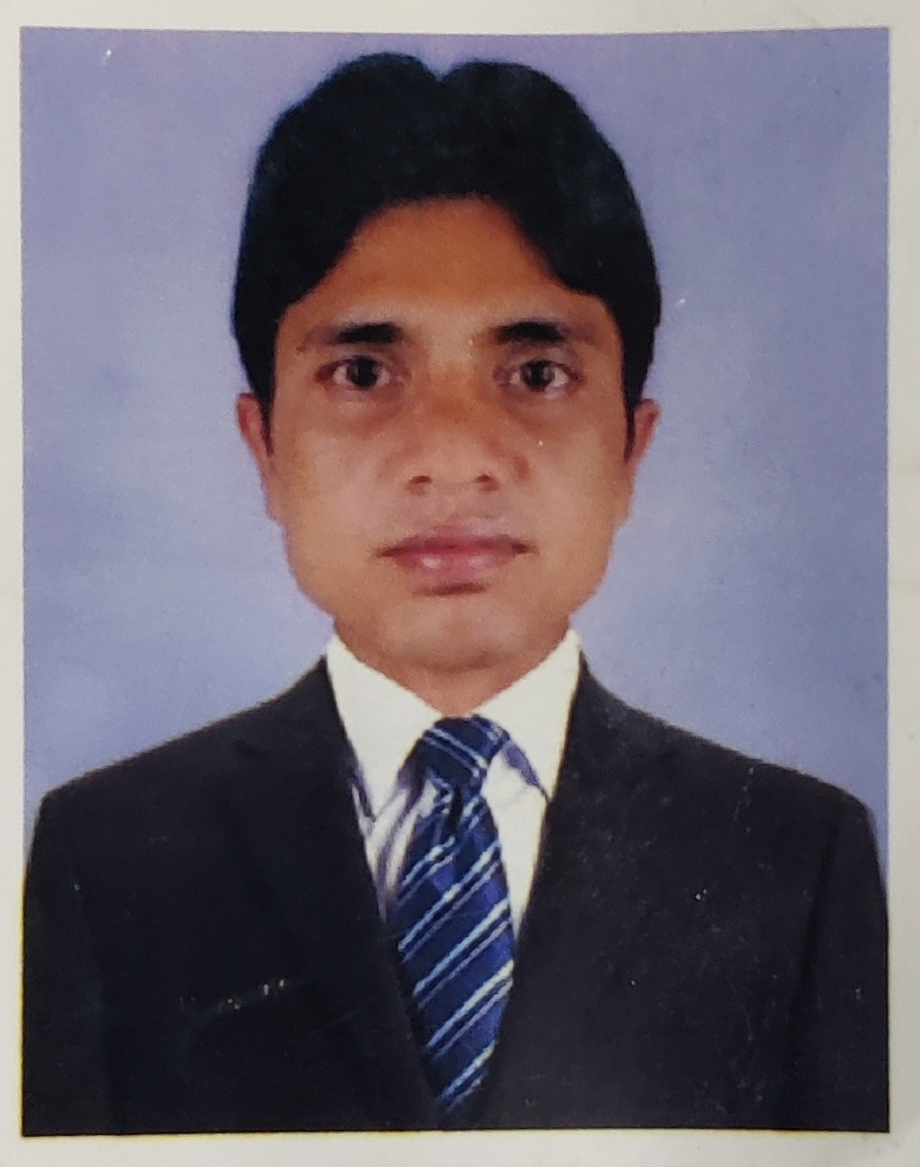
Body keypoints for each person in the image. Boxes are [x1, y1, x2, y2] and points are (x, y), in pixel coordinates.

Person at [22, 52, 887, 1135]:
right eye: (364, 373)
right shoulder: (108, 859)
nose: (451, 459)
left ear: (630, 449)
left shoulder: (793, 862)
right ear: (265, 449)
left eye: (535, 374)